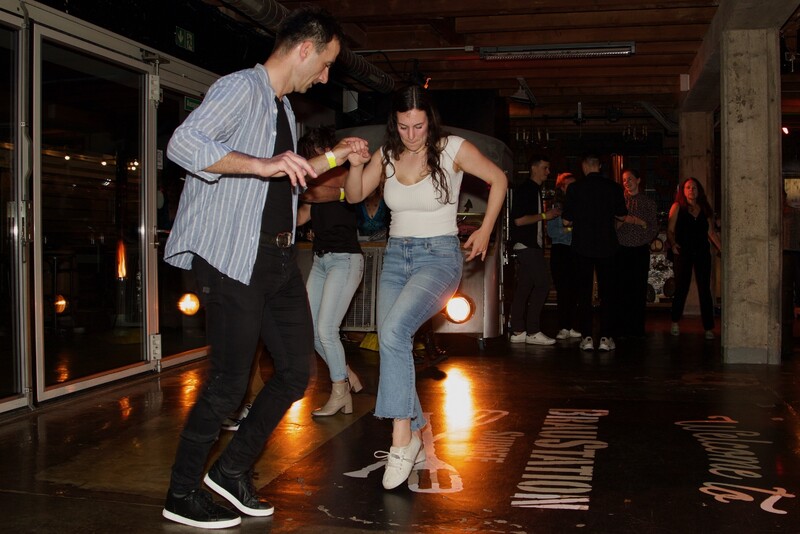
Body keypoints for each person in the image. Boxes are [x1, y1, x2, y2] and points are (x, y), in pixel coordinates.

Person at [160, 8, 369, 529]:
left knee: (295, 372)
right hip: (236, 255)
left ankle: (230, 471)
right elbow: (183, 144)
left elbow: (287, 176)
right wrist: (260, 163)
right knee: (229, 384)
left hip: (277, 256)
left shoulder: (284, 110)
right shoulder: (241, 88)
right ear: (305, 49)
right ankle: (181, 493)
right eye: (325, 63)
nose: (325, 76)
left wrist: (337, 157)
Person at [344, 84, 507, 490]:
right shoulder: (387, 153)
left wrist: (486, 229)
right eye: (404, 127)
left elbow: (499, 178)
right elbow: (354, 194)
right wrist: (355, 164)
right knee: (391, 338)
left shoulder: (452, 148)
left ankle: (401, 440)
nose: (412, 135)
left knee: (395, 332)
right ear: (395, 123)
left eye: (418, 126)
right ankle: (416, 432)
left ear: (429, 121)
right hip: (396, 256)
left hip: (439, 257)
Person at [296, 126, 365, 417]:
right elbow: (302, 216)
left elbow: (315, 191)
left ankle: (339, 392)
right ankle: (345, 376)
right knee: (311, 331)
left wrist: (299, 185)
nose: (312, 163)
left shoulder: (344, 177)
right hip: (321, 260)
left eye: (313, 156)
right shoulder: (317, 188)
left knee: (326, 329)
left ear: (327, 152)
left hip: (345, 259)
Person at [562, 154, 627, 352]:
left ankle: (587, 337)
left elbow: (566, 220)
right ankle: (606, 337)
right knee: (608, 293)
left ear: (584, 167)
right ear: (599, 166)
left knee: (583, 293)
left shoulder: (575, 188)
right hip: (607, 245)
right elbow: (622, 215)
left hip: (582, 246)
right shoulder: (614, 187)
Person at [508, 155, 560, 345]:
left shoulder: (533, 190)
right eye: (545, 168)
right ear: (534, 168)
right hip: (527, 245)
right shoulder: (526, 190)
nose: (548, 172)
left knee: (524, 287)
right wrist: (546, 215)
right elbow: (519, 220)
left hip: (529, 245)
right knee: (543, 285)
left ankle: (518, 331)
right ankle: (532, 331)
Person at [666, 177, 722, 339]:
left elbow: (711, 232)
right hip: (683, 252)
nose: (691, 190)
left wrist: (722, 248)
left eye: (694, 187)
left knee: (705, 289)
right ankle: (675, 321)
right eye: (688, 187)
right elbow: (670, 230)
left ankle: (708, 328)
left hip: (702, 252)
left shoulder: (704, 208)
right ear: (683, 191)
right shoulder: (677, 207)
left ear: (699, 191)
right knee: (681, 288)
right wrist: (673, 243)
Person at [615, 169, 659, 339]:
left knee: (638, 289)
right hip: (622, 250)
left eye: (630, 179)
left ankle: (637, 328)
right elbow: (613, 228)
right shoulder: (619, 201)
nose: (627, 182)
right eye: (624, 180)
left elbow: (653, 228)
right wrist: (622, 220)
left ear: (638, 180)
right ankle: (622, 327)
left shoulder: (648, 203)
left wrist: (639, 222)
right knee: (622, 289)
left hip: (640, 250)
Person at [547, 172, 581, 340]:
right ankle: (563, 326)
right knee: (563, 290)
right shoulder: (557, 206)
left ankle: (571, 325)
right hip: (561, 250)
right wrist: (570, 228)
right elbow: (552, 232)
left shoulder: (580, 204)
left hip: (576, 250)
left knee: (575, 290)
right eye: (569, 185)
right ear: (562, 187)